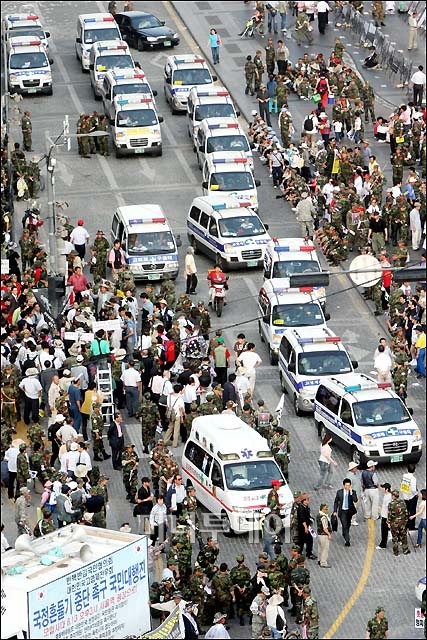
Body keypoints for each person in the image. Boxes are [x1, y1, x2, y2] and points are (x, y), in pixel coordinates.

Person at [333, 478, 358, 547]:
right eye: (346, 485)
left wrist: (351, 493)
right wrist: (335, 511)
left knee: (348, 525)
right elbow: (336, 502)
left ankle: (345, 533)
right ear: (343, 485)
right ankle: (347, 540)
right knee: (344, 525)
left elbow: (355, 500)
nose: (348, 487)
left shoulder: (353, 492)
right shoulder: (339, 492)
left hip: (349, 511)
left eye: (349, 485)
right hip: (342, 511)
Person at [387, 489, 410, 556]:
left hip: (394, 523)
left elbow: (390, 514)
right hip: (402, 522)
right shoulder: (402, 502)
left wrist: (388, 522)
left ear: (394, 496)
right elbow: (406, 512)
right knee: (403, 536)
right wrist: (406, 520)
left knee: (395, 537)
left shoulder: (391, 504)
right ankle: (405, 550)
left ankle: (396, 551)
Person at [400, 464, 418, 530]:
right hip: (411, 497)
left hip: (405, 496)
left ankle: (406, 524)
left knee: (407, 510)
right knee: (412, 511)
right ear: (414, 470)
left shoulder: (404, 476)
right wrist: (416, 494)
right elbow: (413, 489)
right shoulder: (413, 479)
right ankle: (411, 526)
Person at [376, 483, 392, 550]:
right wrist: (378, 486)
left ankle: (383, 544)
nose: (382, 489)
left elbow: (389, 509)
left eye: (383, 488)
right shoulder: (388, 495)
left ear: (387, 489)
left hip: (385, 517)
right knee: (387, 530)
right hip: (385, 516)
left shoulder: (388, 497)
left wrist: (388, 520)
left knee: (384, 531)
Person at [317, 503, 332, 568]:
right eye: (326, 509)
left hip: (319, 534)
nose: (327, 510)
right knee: (325, 549)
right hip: (324, 535)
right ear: (322, 509)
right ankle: (323, 562)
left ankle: (319, 560)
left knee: (320, 548)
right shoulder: (324, 517)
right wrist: (329, 534)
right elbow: (325, 528)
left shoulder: (319, 515)